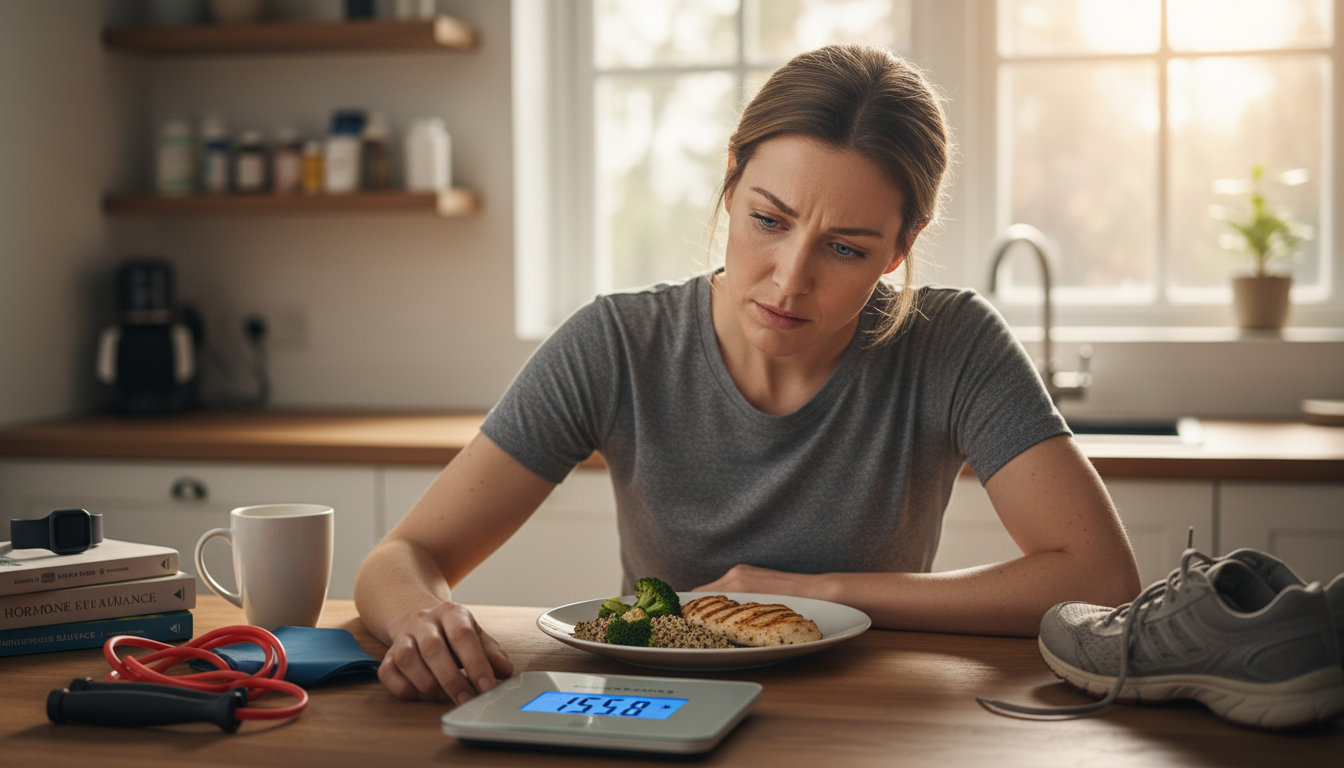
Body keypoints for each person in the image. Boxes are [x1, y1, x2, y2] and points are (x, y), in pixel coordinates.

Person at [354, 44, 1141, 706]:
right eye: (769, 220)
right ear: (731, 182)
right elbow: (402, 558)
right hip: (658, 709)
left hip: (866, 716)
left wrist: (826, 592)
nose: (788, 281)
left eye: (847, 247)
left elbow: (1102, 582)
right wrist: (423, 618)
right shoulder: (618, 344)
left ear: (902, 246)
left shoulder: (951, 342)